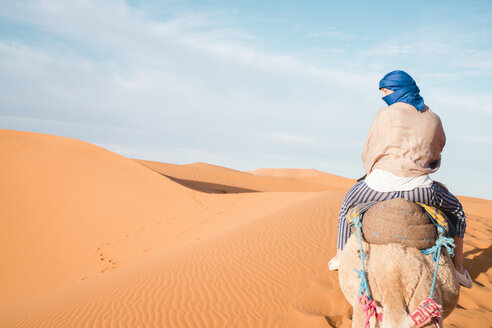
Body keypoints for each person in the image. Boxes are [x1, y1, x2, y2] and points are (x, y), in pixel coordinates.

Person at [328, 70, 472, 288]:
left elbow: (369, 150)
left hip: (377, 186)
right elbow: (438, 148)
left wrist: (375, 169)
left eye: (387, 91)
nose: (384, 96)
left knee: (346, 206)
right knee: (458, 213)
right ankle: (459, 270)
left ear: (398, 89)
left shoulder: (384, 114)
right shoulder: (433, 117)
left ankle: (340, 257)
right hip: (420, 188)